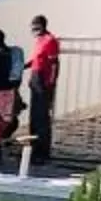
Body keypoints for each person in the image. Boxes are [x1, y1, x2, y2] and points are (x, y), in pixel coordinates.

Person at [27, 14, 61, 166]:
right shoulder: (39, 40)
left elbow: (54, 63)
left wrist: (51, 83)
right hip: (35, 79)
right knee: (34, 117)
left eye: (36, 27)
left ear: (42, 26)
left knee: (42, 118)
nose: (33, 30)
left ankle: (42, 152)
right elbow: (36, 60)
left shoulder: (50, 40)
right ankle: (33, 149)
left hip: (43, 81)